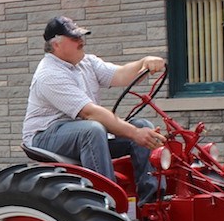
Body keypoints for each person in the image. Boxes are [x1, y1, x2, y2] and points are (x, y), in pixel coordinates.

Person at [21, 15, 166, 202]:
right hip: (45, 135)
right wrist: (135, 133)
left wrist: (144, 62)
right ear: (56, 45)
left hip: (81, 130)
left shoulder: (86, 62)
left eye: (81, 36)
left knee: (142, 124)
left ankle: (152, 204)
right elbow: (90, 113)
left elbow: (121, 75)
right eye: (74, 38)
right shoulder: (49, 74)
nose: (81, 41)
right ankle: (108, 203)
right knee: (94, 130)